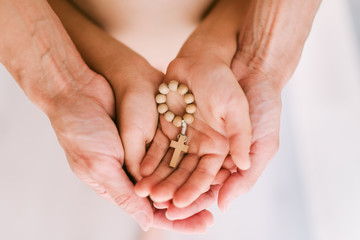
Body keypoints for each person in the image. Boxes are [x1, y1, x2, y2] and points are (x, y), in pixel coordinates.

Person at [0, 0, 321, 234]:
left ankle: (162, 221)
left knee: (142, 154)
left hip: (226, 19)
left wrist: (254, 60)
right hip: (68, 16)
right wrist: (67, 85)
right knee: (128, 141)